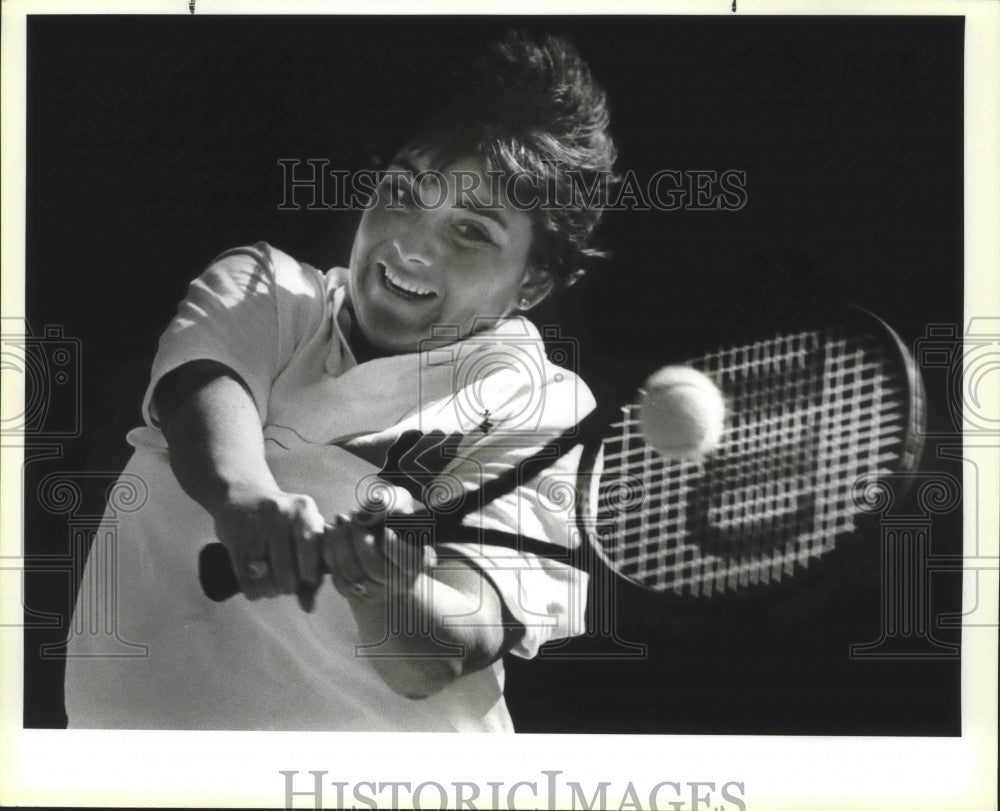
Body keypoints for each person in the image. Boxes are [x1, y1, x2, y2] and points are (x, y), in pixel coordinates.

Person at [64, 30, 617, 731]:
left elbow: (431, 660)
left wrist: (388, 589)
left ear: (532, 282)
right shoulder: (266, 286)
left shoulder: (545, 406)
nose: (412, 245)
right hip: (128, 773)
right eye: (404, 192)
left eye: (471, 232)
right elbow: (198, 388)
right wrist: (246, 498)